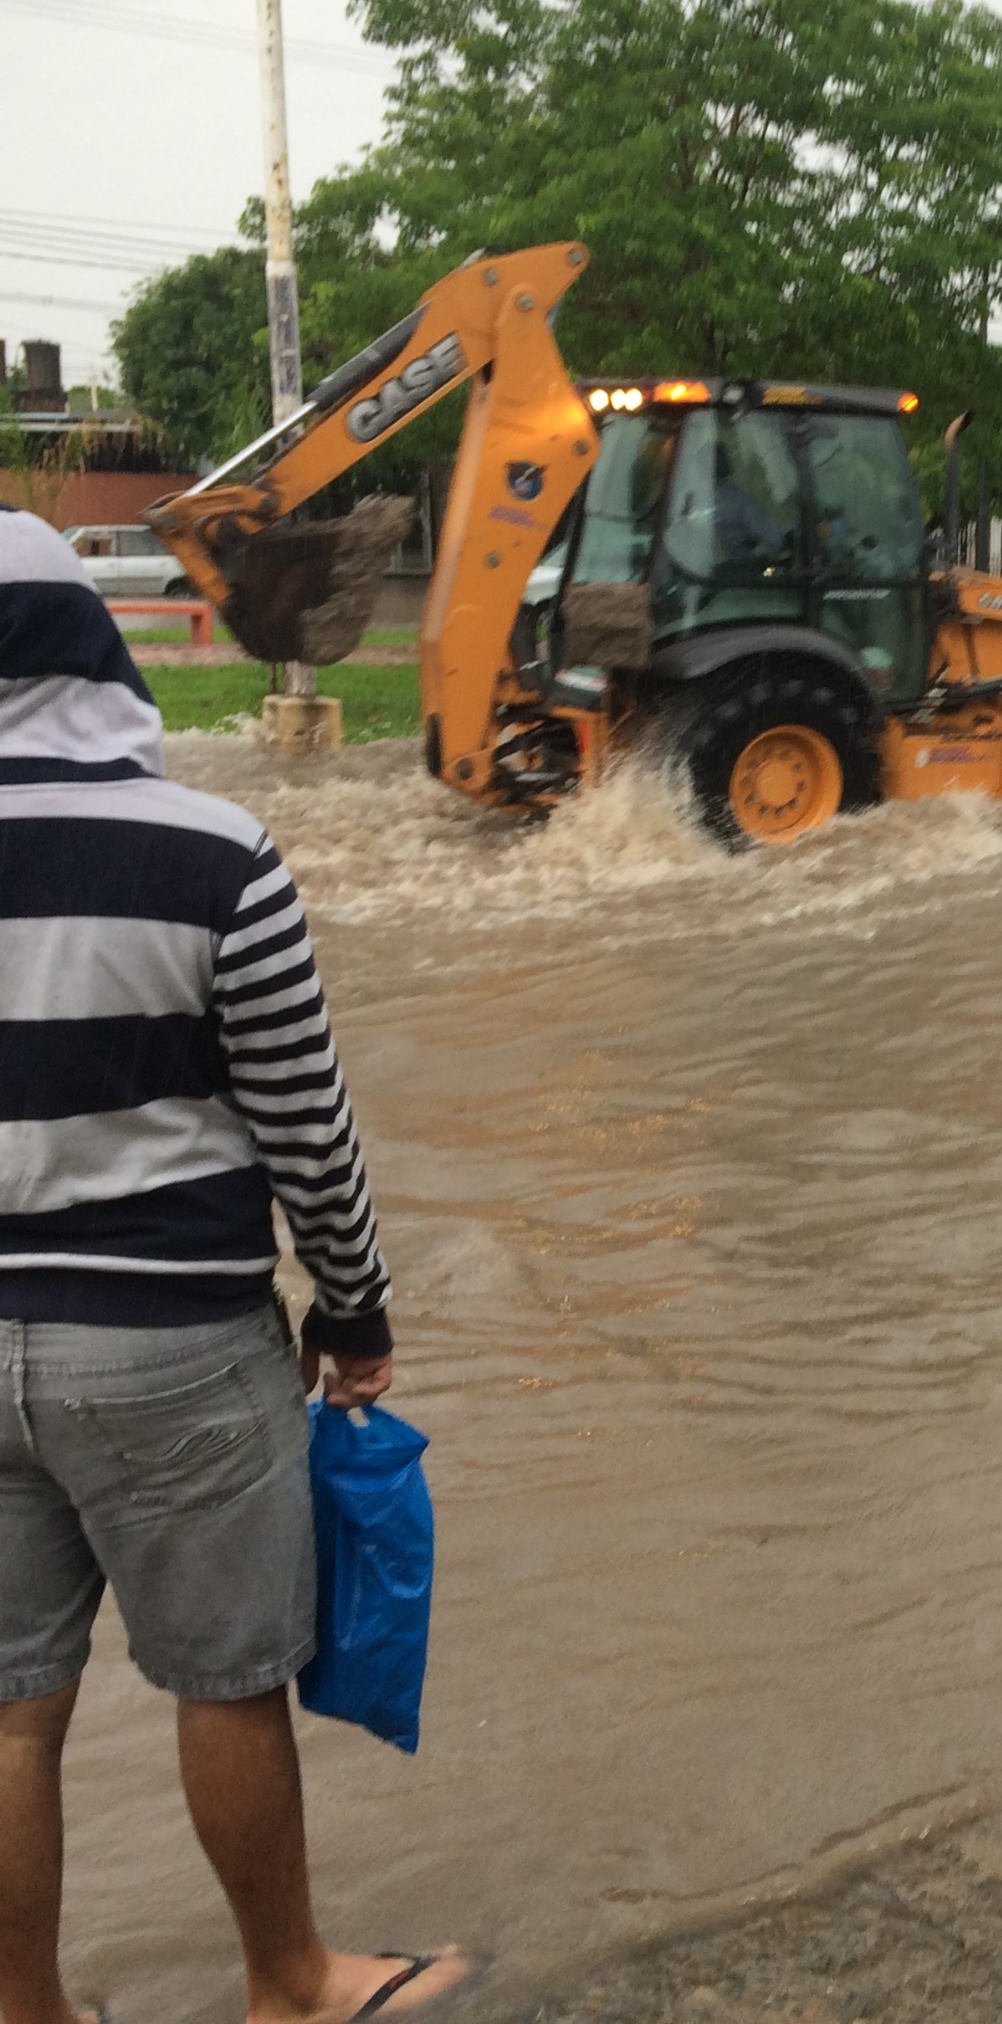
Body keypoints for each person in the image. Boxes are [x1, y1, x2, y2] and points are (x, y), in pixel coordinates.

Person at [0, 506, 465, 2024]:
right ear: (91, 650)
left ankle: (26, 2006)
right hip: (172, 1343)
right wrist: (355, 1307)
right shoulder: (210, 851)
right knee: (221, 1682)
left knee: (9, 1711)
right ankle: (290, 1982)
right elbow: (304, 1121)